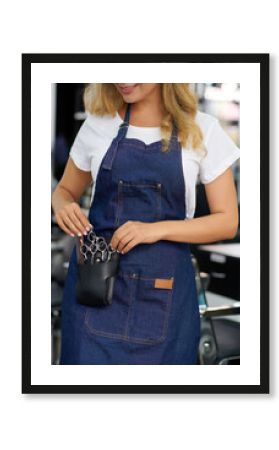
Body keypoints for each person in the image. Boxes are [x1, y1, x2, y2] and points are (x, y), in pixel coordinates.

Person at [51, 83, 240, 365]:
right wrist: (63, 206)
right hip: (95, 293)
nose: (123, 80)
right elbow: (64, 191)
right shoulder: (98, 125)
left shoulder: (202, 129)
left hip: (166, 297)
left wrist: (155, 229)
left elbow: (227, 222)